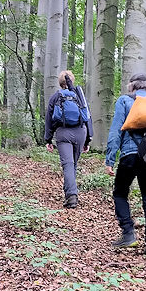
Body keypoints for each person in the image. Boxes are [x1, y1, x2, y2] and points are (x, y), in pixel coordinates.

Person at [105, 74, 146, 259]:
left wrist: (110, 159)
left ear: (131, 87)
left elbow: (116, 130)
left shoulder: (125, 101)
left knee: (120, 193)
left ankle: (128, 232)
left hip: (130, 155)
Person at [43, 70, 93, 208]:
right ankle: (70, 193)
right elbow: (88, 116)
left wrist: (48, 139)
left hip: (63, 133)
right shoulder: (79, 96)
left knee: (68, 164)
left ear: (60, 83)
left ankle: (71, 195)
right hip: (80, 132)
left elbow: (48, 120)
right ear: (72, 80)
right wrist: (88, 139)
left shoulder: (55, 97)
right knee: (73, 165)